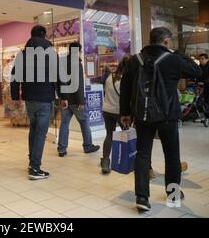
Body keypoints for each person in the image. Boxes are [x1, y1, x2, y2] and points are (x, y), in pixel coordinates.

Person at [120, 27, 201, 211]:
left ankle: (141, 197)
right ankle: (173, 194)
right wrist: (178, 52)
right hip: (168, 115)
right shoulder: (173, 59)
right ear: (166, 41)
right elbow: (197, 71)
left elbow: (125, 89)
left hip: (142, 115)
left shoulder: (135, 60)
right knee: (172, 155)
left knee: (142, 154)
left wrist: (125, 113)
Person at [11, 25, 68, 180]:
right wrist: (63, 97)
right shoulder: (51, 53)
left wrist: (15, 97)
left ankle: (32, 162)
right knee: (40, 133)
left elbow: (14, 76)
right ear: (44, 35)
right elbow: (59, 76)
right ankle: (35, 168)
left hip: (29, 99)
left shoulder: (23, 54)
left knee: (34, 129)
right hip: (45, 98)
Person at [57, 42, 100, 157]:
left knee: (64, 124)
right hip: (75, 100)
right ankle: (88, 146)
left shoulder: (62, 62)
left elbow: (59, 82)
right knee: (84, 121)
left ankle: (62, 149)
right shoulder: (76, 63)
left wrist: (62, 97)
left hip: (65, 99)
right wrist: (81, 101)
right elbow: (79, 83)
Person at [100, 56, 129, 174]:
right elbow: (126, 98)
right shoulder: (125, 80)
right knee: (128, 135)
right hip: (120, 112)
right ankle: (129, 161)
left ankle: (105, 163)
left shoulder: (109, 77)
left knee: (109, 135)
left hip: (107, 110)